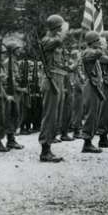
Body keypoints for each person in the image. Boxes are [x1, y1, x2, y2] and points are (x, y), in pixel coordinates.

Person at [38, 14, 69, 162]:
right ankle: (45, 150)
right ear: (57, 27)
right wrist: (64, 31)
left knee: (56, 115)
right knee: (50, 115)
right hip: (51, 80)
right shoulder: (47, 40)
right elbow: (58, 41)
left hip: (59, 79)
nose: (63, 29)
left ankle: (49, 146)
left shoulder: (55, 41)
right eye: (61, 27)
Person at [80, 31, 105, 153]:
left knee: (95, 114)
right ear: (93, 41)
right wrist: (101, 46)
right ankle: (87, 142)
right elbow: (99, 53)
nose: (100, 42)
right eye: (98, 40)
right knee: (91, 114)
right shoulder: (88, 52)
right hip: (90, 85)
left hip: (95, 85)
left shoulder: (92, 51)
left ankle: (89, 141)